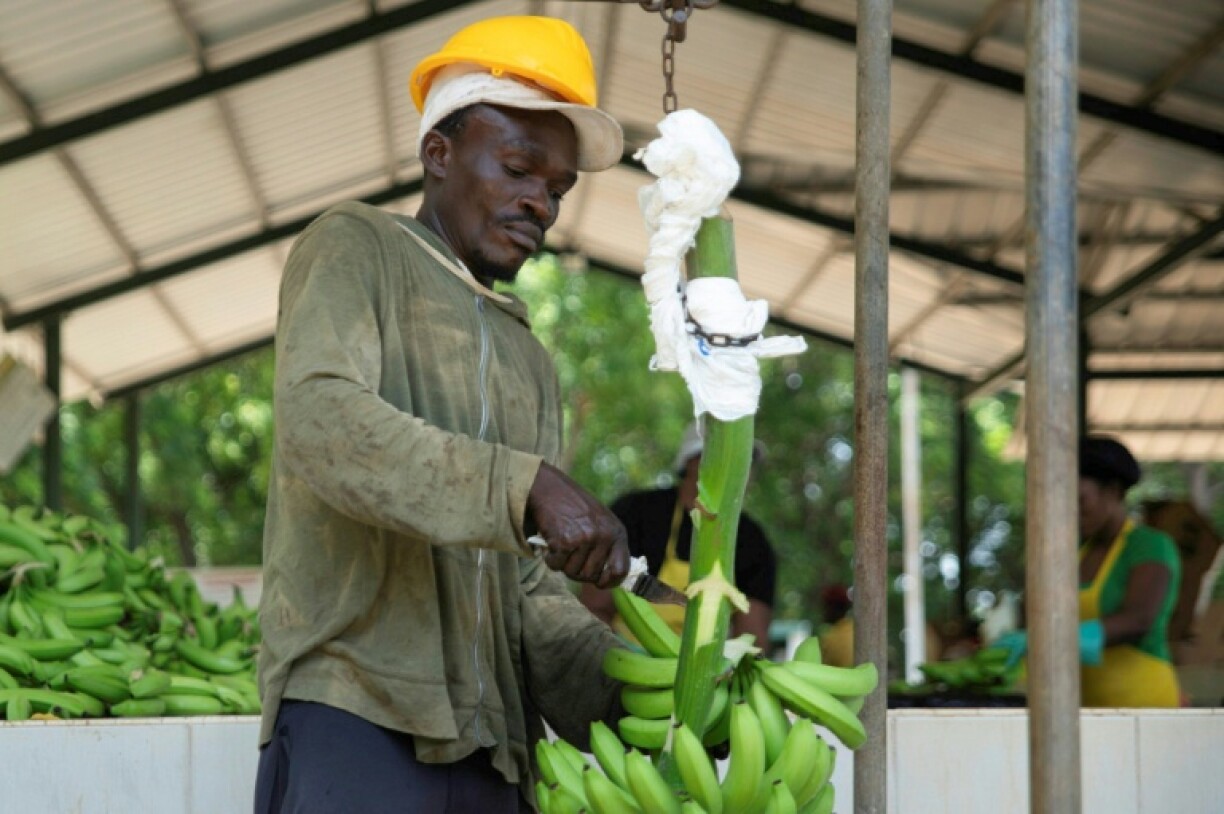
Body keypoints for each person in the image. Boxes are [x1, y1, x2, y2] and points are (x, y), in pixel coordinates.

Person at [254, 16, 638, 813]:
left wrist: (638, 686)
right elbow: (322, 421)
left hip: (495, 750)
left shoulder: (527, 356)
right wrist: (524, 485)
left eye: (558, 190)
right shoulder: (357, 247)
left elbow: (524, 590)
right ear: (439, 153)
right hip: (357, 715)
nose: (542, 204)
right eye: (520, 169)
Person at [993, 435, 1182, 707]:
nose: (1072, 511)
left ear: (1114, 491)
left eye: (1081, 500)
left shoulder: (1149, 545)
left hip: (1144, 704)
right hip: (1086, 710)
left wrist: (1053, 640)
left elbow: (1139, 620)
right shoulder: (1073, 553)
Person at [579, 423, 777, 645]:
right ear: (693, 460)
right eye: (734, 457)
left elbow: (752, 639)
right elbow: (595, 608)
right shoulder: (636, 513)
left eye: (747, 461)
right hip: (620, 658)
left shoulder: (753, 542)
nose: (743, 469)